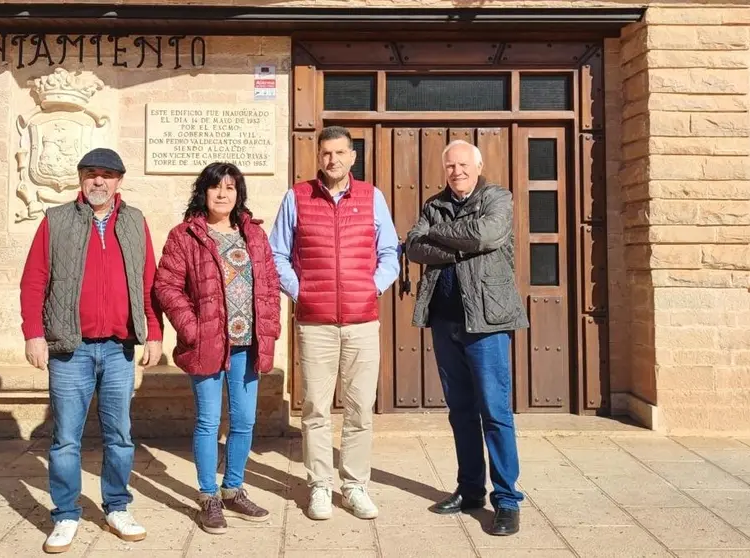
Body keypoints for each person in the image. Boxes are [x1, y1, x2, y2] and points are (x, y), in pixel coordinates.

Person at [19, 147, 164, 553]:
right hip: (71, 348)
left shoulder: (134, 221)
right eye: (91, 174)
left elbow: (148, 281)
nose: (99, 181)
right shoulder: (56, 220)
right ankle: (66, 514)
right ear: (81, 179)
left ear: (119, 180)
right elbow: (34, 281)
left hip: (119, 348)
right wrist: (33, 333)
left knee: (120, 436)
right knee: (66, 438)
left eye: (107, 174)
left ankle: (117, 506)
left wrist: (153, 331)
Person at [270, 125, 399, 521]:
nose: (333, 160)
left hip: (362, 322)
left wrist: (370, 289)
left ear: (352, 157)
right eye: (327, 154)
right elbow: (277, 254)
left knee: (360, 408)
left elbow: (390, 251)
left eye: (340, 153)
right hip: (315, 323)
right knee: (315, 409)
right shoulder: (297, 197)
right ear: (319, 157)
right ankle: (320, 486)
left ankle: (355, 485)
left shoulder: (372, 197)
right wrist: (301, 292)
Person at [405, 139, 529, 536]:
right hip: (445, 321)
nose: (456, 172)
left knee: (494, 411)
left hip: (487, 321)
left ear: (478, 166)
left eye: (463, 165)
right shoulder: (434, 203)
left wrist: (441, 238)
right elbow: (414, 246)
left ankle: (507, 499)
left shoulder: (498, 198)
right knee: (460, 411)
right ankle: (471, 489)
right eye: (450, 166)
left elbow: (486, 235)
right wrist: (456, 244)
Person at [153, 162, 281, 535]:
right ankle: (208, 496)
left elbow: (270, 285)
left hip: (248, 344)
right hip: (207, 343)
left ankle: (234, 489)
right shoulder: (184, 236)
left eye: (230, 187)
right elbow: (166, 286)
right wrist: (191, 327)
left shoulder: (254, 235)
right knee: (209, 422)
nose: (223, 194)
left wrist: (268, 330)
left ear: (239, 194)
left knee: (244, 421)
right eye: (215, 187)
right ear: (203, 192)